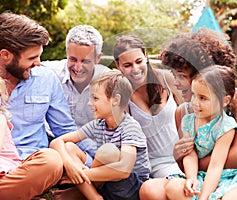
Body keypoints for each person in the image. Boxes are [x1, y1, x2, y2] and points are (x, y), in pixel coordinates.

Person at [165, 65, 237, 200]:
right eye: (194, 95)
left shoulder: (225, 126)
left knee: (229, 198)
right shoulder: (188, 121)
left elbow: (216, 165)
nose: (195, 103)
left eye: (203, 98)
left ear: (224, 101)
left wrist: (203, 197)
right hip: (201, 174)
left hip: (227, 174)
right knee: (173, 187)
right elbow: (190, 153)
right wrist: (192, 178)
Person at [0, 12, 77, 199]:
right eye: (32, 58)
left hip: (31, 164)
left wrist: (96, 164)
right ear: (5, 55)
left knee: (53, 161)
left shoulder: (45, 78)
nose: (38, 63)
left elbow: (65, 130)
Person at [50, 69, 151, 200]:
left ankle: (80, 193)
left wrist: (81, 174)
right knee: (69, 147)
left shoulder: (130, 127)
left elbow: (125, 169)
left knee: (108, 151)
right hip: (106, 184)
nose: (89, 103)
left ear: (115, 100)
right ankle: (95, 197)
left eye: (95, 98)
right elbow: (57, 142)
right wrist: (71, 167)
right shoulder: (98, 124)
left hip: (130, 188)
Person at [113, 35, 184, 178]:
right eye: (127, 65)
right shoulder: (123, 96)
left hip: (186, 155)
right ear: (118, 66)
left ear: (146, 56)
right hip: (158, 164)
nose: (135, 69)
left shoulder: (167, 78)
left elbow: (190, 114)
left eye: (139, 61)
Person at [42, 25, 110, 163]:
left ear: (98, 58)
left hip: (91, 150)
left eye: (85, 61)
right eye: (73, 59)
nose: (78, 68)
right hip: (54, 144)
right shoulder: (48, 73)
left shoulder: (108, 81)